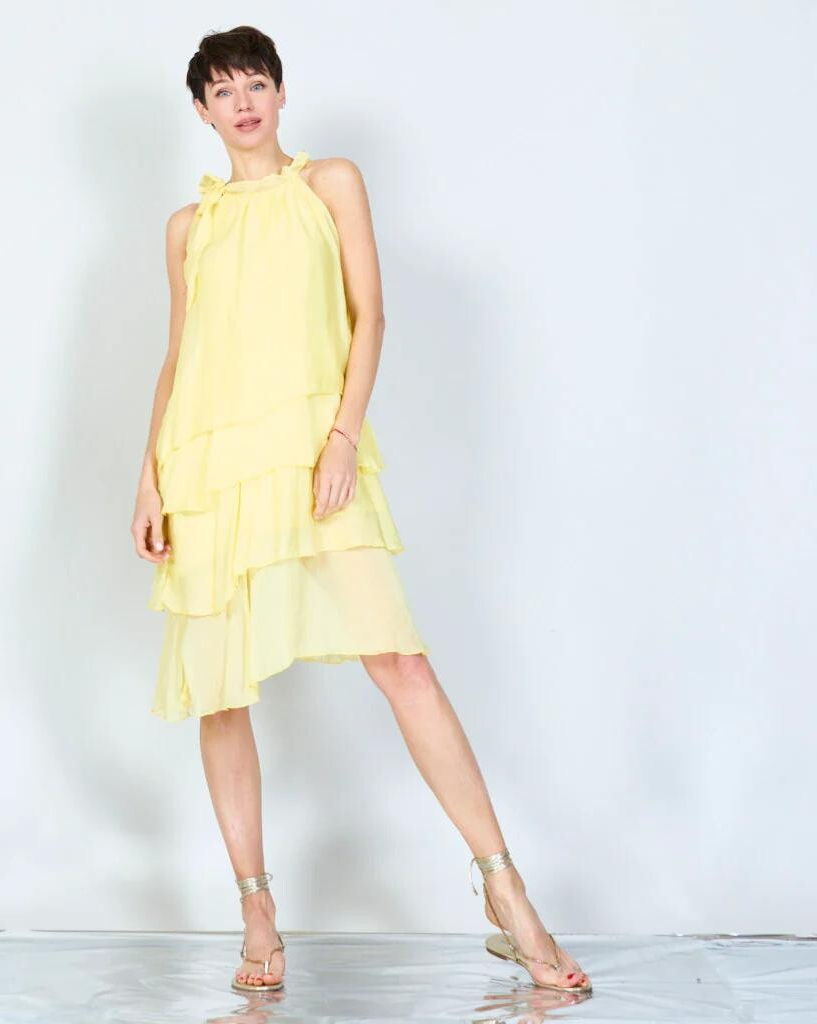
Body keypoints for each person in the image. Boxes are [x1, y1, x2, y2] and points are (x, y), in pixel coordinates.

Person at [131, 24, 592, 998]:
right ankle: (257, 911)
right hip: (208, 465)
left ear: (281, 94)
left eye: (256, 83)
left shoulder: (329, 183)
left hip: (313, 451)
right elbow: (182, 354)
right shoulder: (188, 226)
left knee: (400, 661)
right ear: (201, 111)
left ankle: (506, 892)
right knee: (220, 692)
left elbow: (368, 314)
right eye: (223, 91)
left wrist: (341, 437)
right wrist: (148, 478)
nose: (243, 102)